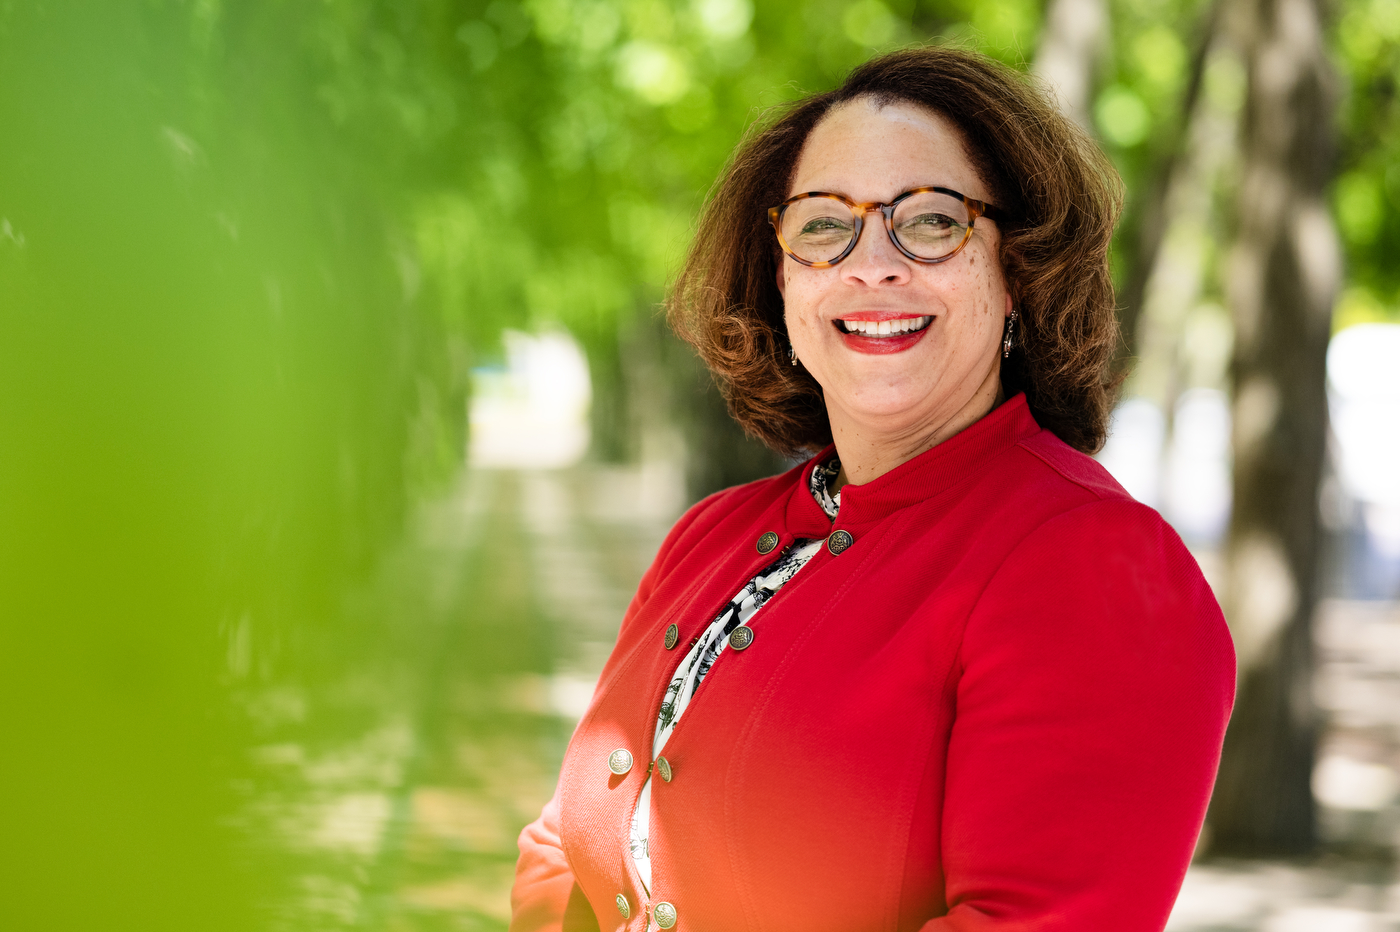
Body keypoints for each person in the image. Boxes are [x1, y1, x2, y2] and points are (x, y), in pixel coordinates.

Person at [510, 47, 1235, 932]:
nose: (871, 265)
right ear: (783, 279)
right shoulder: (711, 536)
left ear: (1018, 272)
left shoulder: (1096, 563)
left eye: (931, 221)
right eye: (822, 226)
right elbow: (562, 845)